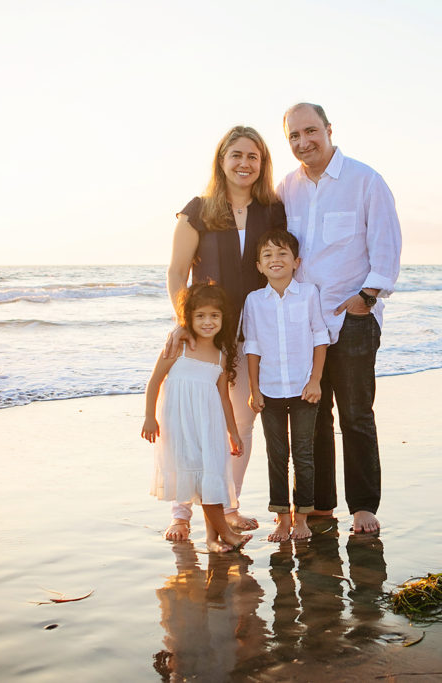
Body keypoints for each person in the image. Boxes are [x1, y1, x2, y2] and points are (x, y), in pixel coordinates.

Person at [276, 103, 402, 535]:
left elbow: (386, 245)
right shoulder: (286, 188)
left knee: (355, 415)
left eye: (310, 131)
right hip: (304, 324)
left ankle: (363, 506)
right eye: (294, 136)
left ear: (329, 129)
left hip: (350, 319)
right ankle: (322, 506)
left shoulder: (365, 180)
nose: (303, 142)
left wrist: (365, 298)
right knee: (314, 418)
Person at [164, 125, 287, 541]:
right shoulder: (197, 210)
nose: (244, 163)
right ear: (222, 160)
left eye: (253, 156)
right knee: (194, 425)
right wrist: (185, 324)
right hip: (207, 332)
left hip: (254, 334)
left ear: (262, 164)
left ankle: (229, 507)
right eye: (236, 155)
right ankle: (182, 512)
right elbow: (177, 272)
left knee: (242, 424)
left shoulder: (272, 210)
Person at [142, 283, 253, 553]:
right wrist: (149, 417)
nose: (207, 322)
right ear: (188, 318)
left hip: (209, 426)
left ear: (223, 318)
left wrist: (233, 432)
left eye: (214, 316)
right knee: (200, 480)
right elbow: (155, 381)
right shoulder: (177, 348)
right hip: (180, 426)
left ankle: (214, 539)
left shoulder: (221, 356)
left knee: (210, 479)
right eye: (200, 316)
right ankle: (224, 534)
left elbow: (224, 398)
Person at [242, 230, 329, 542]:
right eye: (267, 256)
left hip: (304, 388)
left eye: (282, 254)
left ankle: (302, 516)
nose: (275, 260)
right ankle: (281, 517)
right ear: (259, 266)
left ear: (296, 262)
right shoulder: (254, 301)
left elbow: (320, 336)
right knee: (277, 454)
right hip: (270, 389)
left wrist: (316, 380)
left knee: (303, 452)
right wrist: (254, 389)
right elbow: (252, 346)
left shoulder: (308, 294)